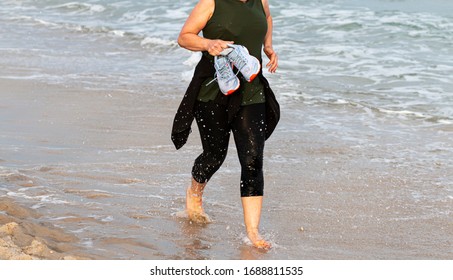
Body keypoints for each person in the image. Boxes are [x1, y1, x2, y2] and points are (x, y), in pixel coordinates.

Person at [172, 0, 279, 250]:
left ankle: (253, 232)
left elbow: (268, 17)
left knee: (253, 159)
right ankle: (195, 192)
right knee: (214, 156)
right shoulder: (211, 3)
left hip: (251, 90)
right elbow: (185, 37)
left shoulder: (259, 1)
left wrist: (268, 46)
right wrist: (207, 44)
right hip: (213, 90)